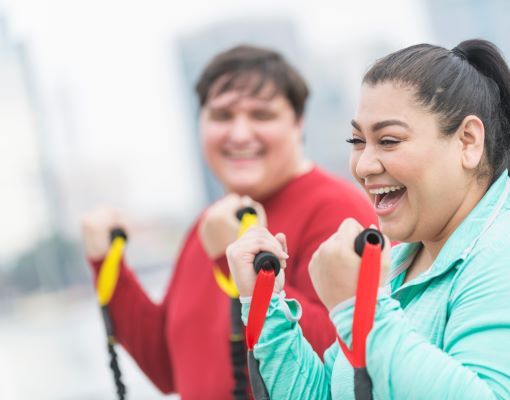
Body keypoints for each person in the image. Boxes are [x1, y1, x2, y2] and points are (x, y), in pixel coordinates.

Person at [226, 39, 510, 398]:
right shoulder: (401, 261)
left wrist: (359, 309)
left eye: (388, 141)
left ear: (468, 141)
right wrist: (265, 303)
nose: (364, 165)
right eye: (357, 142)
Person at [81, 45, 377, 399]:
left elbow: (349, 357)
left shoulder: (335, 209)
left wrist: (234, 262)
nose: (239, 134)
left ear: (298, 124)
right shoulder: (210, 222)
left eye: (261, 115)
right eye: (222, 116)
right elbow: (166, 367)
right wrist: (107, 266)